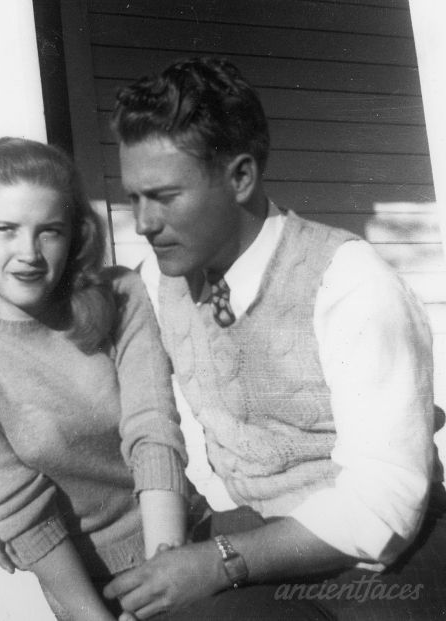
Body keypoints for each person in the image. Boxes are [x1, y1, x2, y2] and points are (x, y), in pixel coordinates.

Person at [101, 57, 446, 619]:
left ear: (240, 178)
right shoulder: (158, 284)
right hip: (255, 537)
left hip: (385, 557)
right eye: (134, 197)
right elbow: (120, 407)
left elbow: (385, 506)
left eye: (163, 196)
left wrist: (217, 561)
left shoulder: (350, 282)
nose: (142, 222)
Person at [0, 137, 190, 620]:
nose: (29, 253)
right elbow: (20, 503)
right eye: (5, 229)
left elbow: (153, 431)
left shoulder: (120, 296)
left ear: (74, 236)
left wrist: (167, 574)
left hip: (179, 543)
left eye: (49, 231)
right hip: (89, 586)